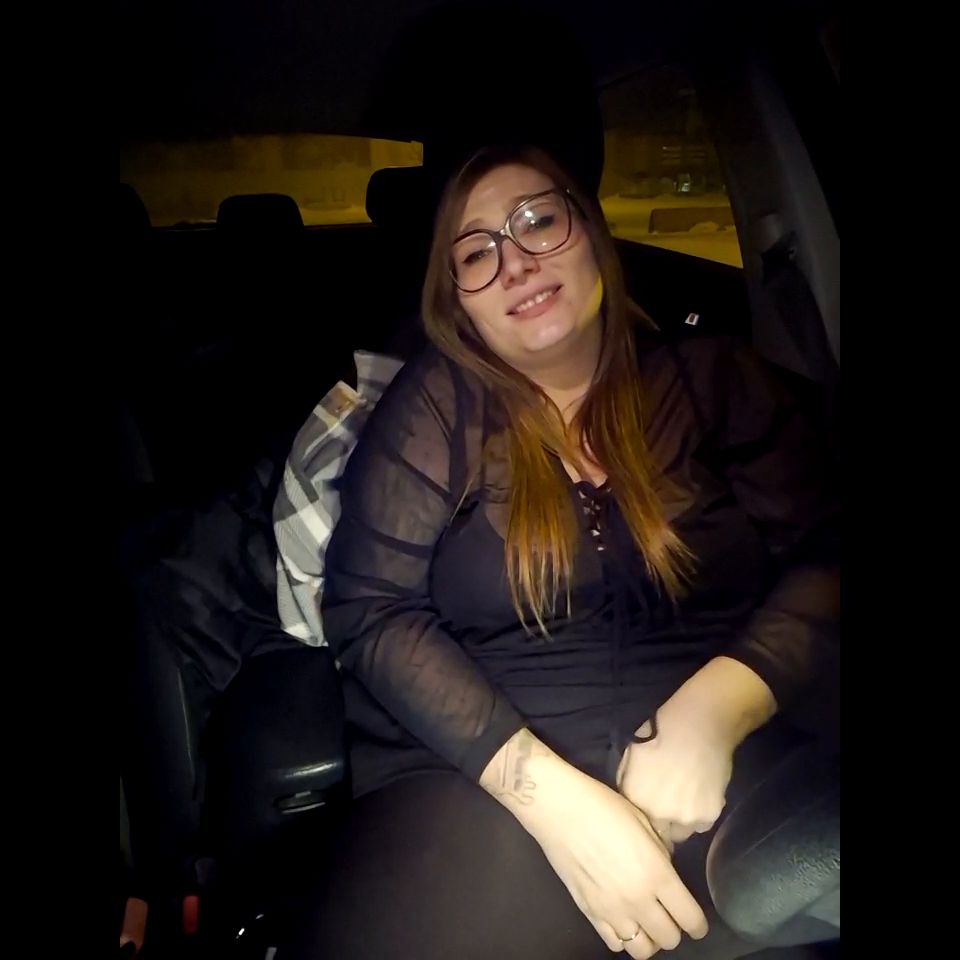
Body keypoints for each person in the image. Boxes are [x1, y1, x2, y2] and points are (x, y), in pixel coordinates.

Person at [276, 144, 839, 960]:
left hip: (723, 773)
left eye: (538, 220)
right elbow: (370, 609)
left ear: (592, 232)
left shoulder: (713, 380)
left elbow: (827, 551)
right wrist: (555, 803)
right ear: (458, 300)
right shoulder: (436, 411)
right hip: (477, 780)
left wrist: (722, 705)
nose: (515, 262)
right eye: (477, 252)